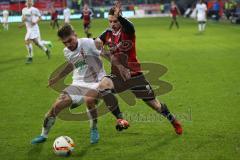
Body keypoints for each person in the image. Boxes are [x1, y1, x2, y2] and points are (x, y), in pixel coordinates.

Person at [31, 24, 129, 145]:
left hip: (97, 81)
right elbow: (72, 64)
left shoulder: (89, 43)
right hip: (77, 83)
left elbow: (107, 54)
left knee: (89, 99)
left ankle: (93, 128)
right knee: (55, 107)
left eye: (70, 40)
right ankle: (43, 135)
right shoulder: (66, 51)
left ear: (75, 35)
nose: (68, 45)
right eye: (64, 42)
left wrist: (120, 67)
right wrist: (57, 78)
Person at [96, 1, 183, 134]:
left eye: (115, 21)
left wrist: (119, 17)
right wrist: (97, 49)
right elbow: (96, 43)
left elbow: (130, 26)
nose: (112, 24)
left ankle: (173, 120)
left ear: (120, 19)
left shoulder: (128, 31)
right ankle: (120, 119)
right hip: (118, 75)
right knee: (103, 86)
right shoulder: (107, 34)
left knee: (155, 105)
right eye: (110, 21)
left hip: (135, 75)